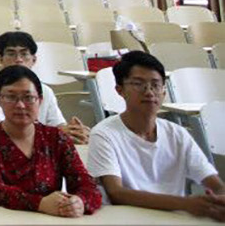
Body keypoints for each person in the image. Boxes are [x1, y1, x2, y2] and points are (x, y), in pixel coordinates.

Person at [86, 51, 225, 220]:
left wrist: (220, 199)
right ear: (120, 90)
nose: (149, 92)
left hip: (174, 218)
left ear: (164, 92)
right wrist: (186, 204)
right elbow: (116, 193)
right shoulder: (104, 134)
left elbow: (214, 183)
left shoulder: (177, 134)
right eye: (139, 84)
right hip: (127, 218)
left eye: (156, 85)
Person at [0, 65, 101, 216]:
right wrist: (40, 203)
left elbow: (86, 183)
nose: (20, 105)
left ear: (40, 100)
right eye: (10, 97)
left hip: (49, 218)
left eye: (28, 98)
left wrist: (79, 202)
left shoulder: (56, 137)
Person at [0, 31, 88, 143]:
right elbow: (0, 132)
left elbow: (58, 125)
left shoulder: (45, 91)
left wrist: (73, 131)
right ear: (1, 60)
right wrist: (57, 133)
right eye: (11, 54)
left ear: (34, 60)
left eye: (24, 54)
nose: (18, 60)